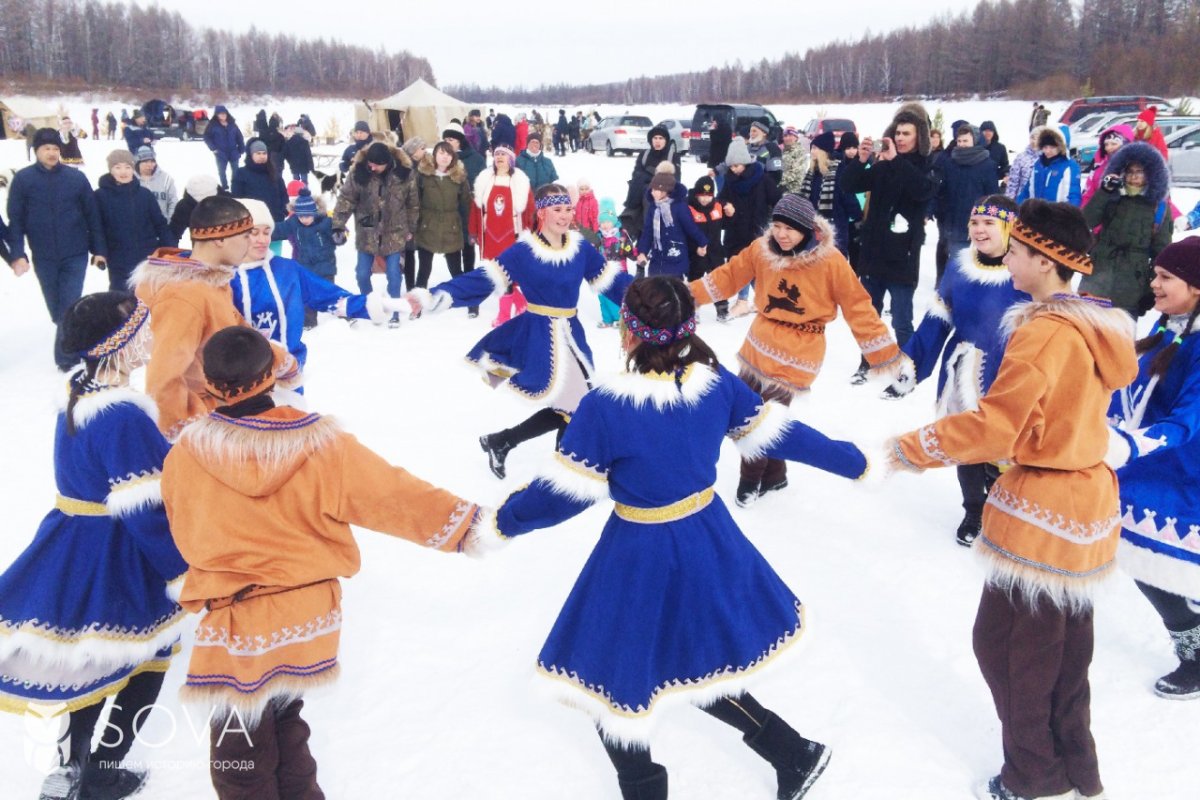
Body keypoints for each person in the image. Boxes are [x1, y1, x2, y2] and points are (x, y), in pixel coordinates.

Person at [471, 275, 875, 800]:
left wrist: (499, 522)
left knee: (609, 685)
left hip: (640, 555)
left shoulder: (609, 404)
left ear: (628, 333)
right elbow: (784, 434)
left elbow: (561, 495)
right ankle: (794, 754)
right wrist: (857, 459)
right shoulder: (714, 383)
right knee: (694, 662)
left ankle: (657, 788)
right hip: (706, 540)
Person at [161, 325, 480, 800]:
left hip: (237, 620)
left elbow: (184, 532)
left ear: (209, 384)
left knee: (238, 753)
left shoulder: (187, 454)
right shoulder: (322, 445)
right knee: (285, 721)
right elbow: (393, 493)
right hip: (308, 616)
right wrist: (467, 526)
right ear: (270, 376)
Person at [887, 199, 1138, 800]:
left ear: (1046, 262)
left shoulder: (1042, 332)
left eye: (1019, 252)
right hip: (1086, 504)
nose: (1009, 260)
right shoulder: (1094, 322)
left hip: (1043, 509)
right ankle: (1077, 765)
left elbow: (995, 428)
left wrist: (911, 448)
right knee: (1065, 650)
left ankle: (1033, 776)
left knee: (1009, 649)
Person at [0, 292, 188, 800]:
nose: (150, 338)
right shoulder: (122, 415)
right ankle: (102, 771)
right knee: (148, 660)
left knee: (90, 656)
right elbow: (144, 508)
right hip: (118, 550)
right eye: (141, 332)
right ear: (118, 346)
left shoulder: (77, 393)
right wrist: (178, 572)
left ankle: (73, 763)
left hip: (72, 541)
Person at [406, 184, 634, 479]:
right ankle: (562, 470)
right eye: (557, 210)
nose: (565, 216)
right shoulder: (524, 252)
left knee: (574, 404)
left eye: (567, 209)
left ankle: (503, 442)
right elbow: (481, 280)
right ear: (542, 212)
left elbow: (615, 283)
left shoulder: (580, 248)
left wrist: (655, 298)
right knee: (577, 405)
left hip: (572, 335)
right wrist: (433, 296)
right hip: (539, 336)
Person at [690, 195, 899, 506]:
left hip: (799, 347)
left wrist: (885, 356)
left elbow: (859, 306)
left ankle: (750, 480)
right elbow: (728, 276)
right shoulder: (761, 250)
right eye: (776, 226)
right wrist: (683, 297)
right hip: (759, 341)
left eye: (789, 228)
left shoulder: (830, 261)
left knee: (760, 418)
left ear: (807, 229)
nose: (781, 234)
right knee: (741, 409)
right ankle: (775, 476)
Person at [882, 195, 1027, 546]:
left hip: (1011, 373)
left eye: (989, 223)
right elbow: (936, 320)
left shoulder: (1026, 272)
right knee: (966, 441)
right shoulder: (959, 265)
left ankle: (1004, 508)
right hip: (962, 369)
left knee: (1008, 446)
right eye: (975, 223)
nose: (979, 230)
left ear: (1010, 228)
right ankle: (974, 509)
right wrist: (909, 368)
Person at [1108, 237, 1200, 700]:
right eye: (1156, 274)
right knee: (1141, 560)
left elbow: (1188, 419)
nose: (1154, 283)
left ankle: (1195, 653)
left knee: (1159, 562)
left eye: (1166, 277)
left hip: (1183, 475)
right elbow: (1127, 394)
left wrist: (1128, 445)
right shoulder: (1168, 331)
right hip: (1148, 469)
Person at [130, 195, 298, 439]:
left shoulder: (211, 282)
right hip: (213, 422)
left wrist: (278, 360)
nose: (252, 242)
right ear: (220, 238)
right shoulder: (184, 297)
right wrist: (198, 423)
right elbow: (162, 381)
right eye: (246, 235)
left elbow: (239, 332)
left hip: (230, 406)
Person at [234, 199, 381, 371]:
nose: (262, 240)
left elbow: (328, 297)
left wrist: (380, 305)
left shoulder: (286, 269)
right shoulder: (223, 278)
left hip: (289, 375)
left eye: (267, 232)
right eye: (254, 232)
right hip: (240, 381)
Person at [842, 102, 938, 353]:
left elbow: (922, 191)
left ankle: (907, 363)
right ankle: (869, 361)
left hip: (903, 255)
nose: (900, 138)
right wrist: (861, 161)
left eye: (907, 133)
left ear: (919, 136)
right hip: (874, 253)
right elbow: (850, 186)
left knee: (902, 319)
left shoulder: (927, 165)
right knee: (870, 317)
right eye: (897, 133)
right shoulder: (883, 164)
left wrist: (895, 161)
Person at [6, 127, 105, 369]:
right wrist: (17, 255)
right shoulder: (24, 180)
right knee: (56, 309)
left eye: (55, 148)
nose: (51, 153)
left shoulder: (75, 178)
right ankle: (70, 334)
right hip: (44, 255)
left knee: (69, 304)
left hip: (76, 252)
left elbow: (93, 216)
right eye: (46, 148)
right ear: (36, 151)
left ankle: (67, 359)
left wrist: (99, 250)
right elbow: (15, 220)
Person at [1077, 141, 1172, 319]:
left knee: (1121, 335)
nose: (1134, 177)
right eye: (1129, 171)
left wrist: (1151, 290)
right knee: (1086, 325)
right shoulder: (1112, 196)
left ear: (1150, 174)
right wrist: (1104, 192)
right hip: (1098, 273)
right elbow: (1086, 220)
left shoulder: (1159, 207)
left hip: (1132, 283)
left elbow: (1163, 253)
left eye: (1140, 172)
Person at [332, 141, 418, 323]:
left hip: (395, 231)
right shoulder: (358, 173)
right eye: (370, 163)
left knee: (394, 274)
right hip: (367, 232)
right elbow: (346, 199)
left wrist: (411, 228)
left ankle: (394, 311)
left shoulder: (404, 174)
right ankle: (371, 306)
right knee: (362, 273)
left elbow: (413, 204)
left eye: (376, 164)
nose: (371, 167)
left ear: (387, 163)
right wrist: (338, 224)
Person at [94, 149, 177, 292]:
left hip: (147, 257)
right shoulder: (100, 196)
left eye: (127, 167)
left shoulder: (145, 195)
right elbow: (97, 228)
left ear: (133, 169)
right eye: (117, 167)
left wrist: (170, 248)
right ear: (111, 170)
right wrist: (99, 252)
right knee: (121, 298)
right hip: (118, 257)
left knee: (148, 294)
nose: (123, 172)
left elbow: (160, 224)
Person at [719, 136, 783, 318]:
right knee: (740, 265)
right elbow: (721, 198)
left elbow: (777, 199)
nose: (734, 170)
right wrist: (726, 206)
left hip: (756, 229)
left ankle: (756, 299)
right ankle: (746, 300)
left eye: (737, 166)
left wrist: (773, 222)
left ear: (745, 163)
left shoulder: (762, 178)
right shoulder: (729, 180)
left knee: (756, 267)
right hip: (735, 229)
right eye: (731, 166)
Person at [470, 144, 534, 326]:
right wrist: (474, 230)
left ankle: (504, 315)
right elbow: (476, 209)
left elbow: (529, 210)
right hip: (490, 234)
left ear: (511, 160)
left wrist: (529, 234)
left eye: (503, 155)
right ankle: (521, 304)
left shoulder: (520, 182)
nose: (499, 157)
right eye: (496, 154)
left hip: (512, 235)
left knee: (507, 274)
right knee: (498, 273)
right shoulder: (485, 180)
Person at [932, 124, 999, 284]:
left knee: (978, 262)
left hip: (977, 221)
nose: (961, 144)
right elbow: (941, 189)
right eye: (959, 140)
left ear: (975, 141)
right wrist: (936, 209)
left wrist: (990, 218)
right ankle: (952, 292)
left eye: (965, 141)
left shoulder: (987, 164)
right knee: (957, 261)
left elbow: (992, 194)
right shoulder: (950, 162)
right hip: (954, 221)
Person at [414, 142, 472, 307]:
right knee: (424, 269)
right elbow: (414, 201)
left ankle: (466, 300)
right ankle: (417, 303)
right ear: (434, 155)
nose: (445, 156)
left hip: (451, 227)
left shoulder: (459, 178)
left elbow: (466, 204)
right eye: (441, 153)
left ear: (453, 157)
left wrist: (468, 229)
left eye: (449, 154)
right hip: (428, 226)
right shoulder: (423, 176)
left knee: (456, 269)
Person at [272, 188, 341, 313]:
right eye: (301, 216)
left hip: (325, 265)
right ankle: (309, 322)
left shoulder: (326, 222)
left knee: (330, 293)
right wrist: (264, 230)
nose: (304, 219)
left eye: (307, 216)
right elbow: (279, 230)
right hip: (305, 265)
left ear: (314, 212)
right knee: (307, 294)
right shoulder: (294, 223)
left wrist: (339, 236)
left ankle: (345, 313)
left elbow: (339, 232)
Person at [635, 165, 707, 278]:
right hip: (658, 257)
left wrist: (702, 242)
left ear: (666, 191)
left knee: (673, 289)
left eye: (657, 190)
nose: (653, 193)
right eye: (652, 189)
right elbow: (648, 232)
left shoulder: (679, 207)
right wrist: (642, 251)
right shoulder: (653, 208)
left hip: (675, 255)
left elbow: (690, 227)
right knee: (656, 288)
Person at [620, 124, 682, 243]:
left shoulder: (672, 156)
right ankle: (635, 236)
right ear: (650, 140)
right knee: (635, 208)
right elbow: (636, 174)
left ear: (666, 140)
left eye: (661, 138)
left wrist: (652, 179)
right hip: (641, 193)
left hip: (665, 196)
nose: (657, 141)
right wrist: (652, 177)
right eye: (655, 138)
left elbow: (676, 179)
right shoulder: (644, 155)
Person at [686, 175, 728, 319]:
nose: (705, 199)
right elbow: (686, 233)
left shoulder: (718, 206)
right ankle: (692, 309)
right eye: (701, 195)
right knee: (695, 282)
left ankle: (722, 309)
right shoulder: (689, 208)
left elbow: (729, 219)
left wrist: (729, 206)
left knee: (718, 282)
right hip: (696, 253)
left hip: (715, 252)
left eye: (709, 196)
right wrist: (695, 248)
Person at [1016, 126, 1081, 206]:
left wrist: (1070, 215)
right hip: (1036, 213)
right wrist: (1018, 206)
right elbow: (1027, 190)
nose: (1048, 151)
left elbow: (1074, 195)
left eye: (1052, 147)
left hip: (1058, 215)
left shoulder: (1070, 166)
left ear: (1060, 147)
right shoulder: (1038, 164)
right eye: (1045, 147)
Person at [595, 200, 635, 328]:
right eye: (603, 222)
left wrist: (636, 255)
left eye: (608, 221)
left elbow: (630, 250)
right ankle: (607, 319)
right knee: (603, 295)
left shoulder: (621, 235)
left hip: (619, 271)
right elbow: (593, 252)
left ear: (613, 221)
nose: (605, 225)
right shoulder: (599, 236)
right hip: (603, 271)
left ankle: (620, 319)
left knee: (618, 295)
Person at [231, 139, 288, 227]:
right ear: (251, 155)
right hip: (253, 221)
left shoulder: (273, 172)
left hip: (276, 219)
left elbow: (283, 193)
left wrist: (283, 211)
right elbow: (237, 198)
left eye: (264, 153)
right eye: (258, 153)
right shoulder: (241, 173)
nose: (262, 156)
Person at [831, 133, 864, 262]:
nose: (852, 151)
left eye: (854, 147)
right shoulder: (838, 166)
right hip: (844, 216)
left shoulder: (863, 164)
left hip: (859, 216)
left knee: (856, 254)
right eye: (848, 148)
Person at [169, 174, 226, 242]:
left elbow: (174, 233)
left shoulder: (228, 203)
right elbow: (174, 232)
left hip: (222, 243)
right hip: (202, 244)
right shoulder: (184, 207)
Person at [798, 132, 840, 223]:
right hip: (811, 220)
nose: (812, 151)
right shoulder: (812, 171)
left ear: (823, 151)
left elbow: (845, 197)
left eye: (815, 148)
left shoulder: (837, 170)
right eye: (811, 148)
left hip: (832, 223)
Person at [203, 105, 245, 191]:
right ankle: (225, 187)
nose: (223, 115)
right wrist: (213, 148)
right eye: (221, 114)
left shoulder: (233, 124)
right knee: (222, 172)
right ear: (216, 115)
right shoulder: (212, 125)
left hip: (233, 151)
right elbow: (206, 137)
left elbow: (239, 137)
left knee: (236, 171)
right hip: (220, 153)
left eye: (224, 114)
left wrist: (241, 149)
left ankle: (235, 187)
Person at [134, 145, 178, 222]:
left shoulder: (166, 179)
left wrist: (169, 220)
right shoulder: (131, 180)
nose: (149, 164)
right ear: (138, 163)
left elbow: (173, 201)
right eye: (145, 161)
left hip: (161, 225)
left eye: (152, 161)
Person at [1005, 128, 1041, 201]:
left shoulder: (1046, 158)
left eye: (1038, 138)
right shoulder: (1021, 157)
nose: (1034, 141)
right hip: (1022, 201)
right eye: (1032, 138)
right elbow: (1013, 182)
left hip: (1040, 201)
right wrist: (1009, 201)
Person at [747, 120, 784, 186]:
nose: (751, 134)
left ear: (764, 133)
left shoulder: (772, 148)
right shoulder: (747, 148)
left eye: (754, 131)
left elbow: (776, 176)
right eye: (750, 131)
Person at [706, 115, 733, 191]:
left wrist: (712, 130)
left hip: (718, 158)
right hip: (724, 156)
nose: (713, 123)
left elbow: (715, 140)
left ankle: (721, 195)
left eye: (713, 121)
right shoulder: (727, 127)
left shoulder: (720, 129)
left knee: (720, 179)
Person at [779, 126, 810, 193]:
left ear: (796, 137)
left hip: (793, 190)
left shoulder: (800, 152)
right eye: (785, 136)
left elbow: (795, 173)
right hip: (781, 187)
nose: (787, 138)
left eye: (790, 135)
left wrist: (777, 180)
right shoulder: (782, 151)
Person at [978, 121, 1009, 185]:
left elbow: (1005, 165)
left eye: (990, 131)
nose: (988, 133)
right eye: (985, 130)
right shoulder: (976, 146)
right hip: (977, 181)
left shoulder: (1000, 148)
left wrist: (997, 175)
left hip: (993, 182)